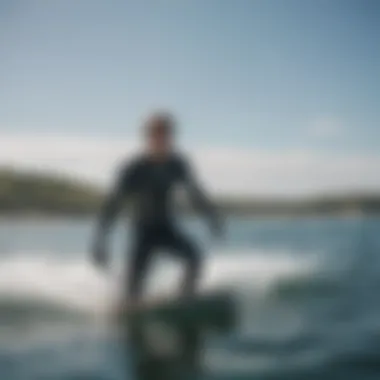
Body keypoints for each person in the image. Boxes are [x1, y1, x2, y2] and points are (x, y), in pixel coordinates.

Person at [92, 111, 223, 303]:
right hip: (142, 232)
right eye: (157, 135)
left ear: (172, 137)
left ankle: (184, 298)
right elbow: (113, 205)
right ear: (148, 138)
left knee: (194, 257)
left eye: (166, 135)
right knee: (133, 294)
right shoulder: (134, 168)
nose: (162, 140)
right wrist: (100, 241)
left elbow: (195, 194)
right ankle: (127, 304)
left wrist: (212, 219)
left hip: (166, 228)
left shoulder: (178, 164)